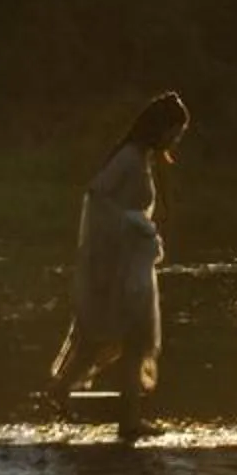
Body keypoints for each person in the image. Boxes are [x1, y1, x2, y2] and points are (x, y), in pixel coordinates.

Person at [46, 91, 188, 441]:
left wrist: (141, 228)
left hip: (134, 262)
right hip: (120, 265)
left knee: (132, 340)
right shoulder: (127, 158)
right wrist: (133, 224)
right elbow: (97, 197)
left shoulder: (142, 159)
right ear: (160, 128)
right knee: (113, 337)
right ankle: (85, 400)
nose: (176, 139)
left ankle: (119, 415)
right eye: (175, 131)